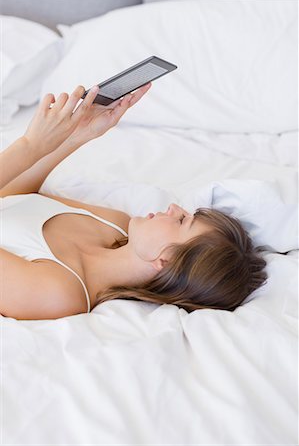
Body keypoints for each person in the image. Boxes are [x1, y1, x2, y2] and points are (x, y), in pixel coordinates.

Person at [0, 84, 267, 320]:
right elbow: (13, 196)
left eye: (183, 220)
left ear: (164, 260)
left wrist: (30, 146)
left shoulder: (57, 294)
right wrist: (79, 135)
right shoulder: (113, 224)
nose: (174, 209)